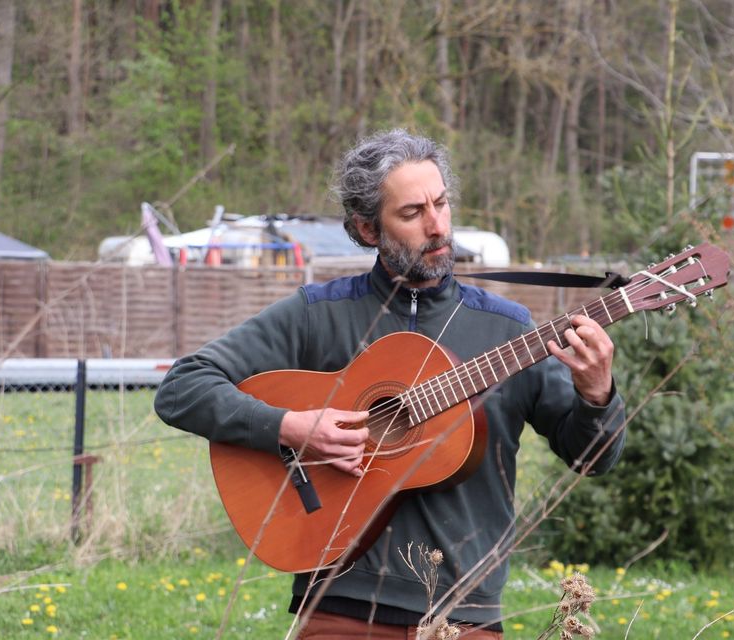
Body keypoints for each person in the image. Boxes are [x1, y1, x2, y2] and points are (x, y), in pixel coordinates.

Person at [154, 129, 626, 638]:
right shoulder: (320, 315)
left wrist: (596, 394)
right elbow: (183, 387)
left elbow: (593, 459)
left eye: (441, 204)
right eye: (412, 213)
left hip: (464, 613)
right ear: (367, 227)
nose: (438, 226)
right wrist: (291, 426)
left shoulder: (508, 330)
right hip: (341, 603)